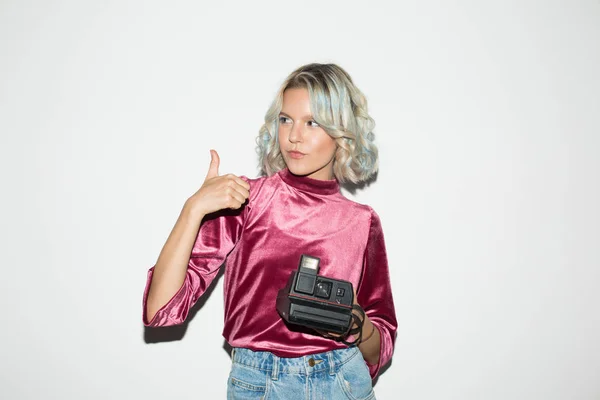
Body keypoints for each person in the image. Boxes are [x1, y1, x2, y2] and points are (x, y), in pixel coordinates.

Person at [142, 63, 397, 399]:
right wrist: (193, 210)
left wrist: (356, 325)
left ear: (342, 132)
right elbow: (160, 310)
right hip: (260, 384)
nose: (294, 135)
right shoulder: (245, 200)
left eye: (313, 122)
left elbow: (379, 345)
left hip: (341, 381)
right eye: (285, 119)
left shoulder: (363, 221)